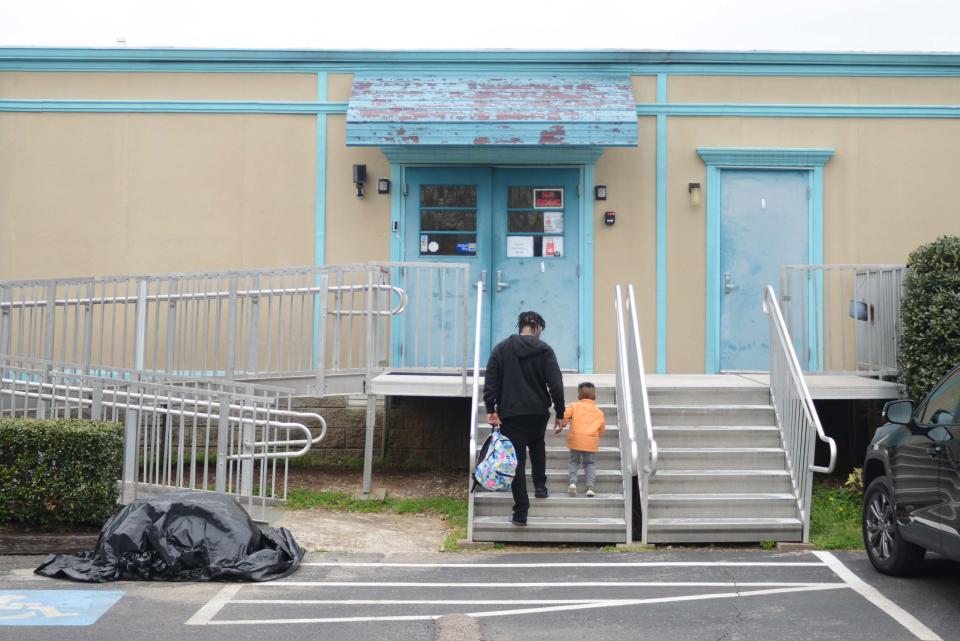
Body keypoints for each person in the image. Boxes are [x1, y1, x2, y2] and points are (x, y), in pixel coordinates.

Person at [483, 311, 565, 526]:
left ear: (521, 326)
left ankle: (521, 512)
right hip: (537, 412)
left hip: (511, 413)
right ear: (537, 326)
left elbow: (491, 379)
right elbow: (556, 383)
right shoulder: (545, 350)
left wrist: (490, 407)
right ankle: (540, 487)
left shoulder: (502, 348)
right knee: (537, 443)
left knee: (516, 461)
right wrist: (561, 412)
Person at [555, 382, 606, 497]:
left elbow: (564, 417)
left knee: (574, 461)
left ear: (579, 396)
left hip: (576, 440)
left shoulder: (574, 406)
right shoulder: (599, 412)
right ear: (594, 397)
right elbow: (602, 429)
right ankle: (589, 488)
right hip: (590, 442)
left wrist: (561, 425)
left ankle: (572, 483)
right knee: (589, 464)